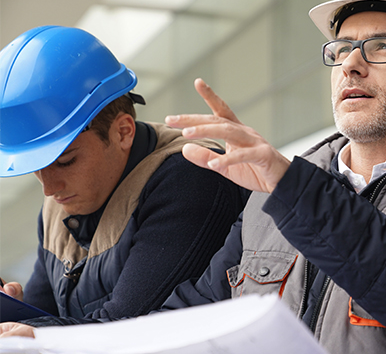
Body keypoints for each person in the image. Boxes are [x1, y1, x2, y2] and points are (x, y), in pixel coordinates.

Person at [155, 0, 386, 353]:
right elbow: (197, 316)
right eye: (342, 49)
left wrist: (292, 188)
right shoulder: (268, 198)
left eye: (381, 47)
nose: (351, 65)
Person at [0, 26, 249, 331]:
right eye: (37, 167)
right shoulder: (58, 205)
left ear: (123, 131)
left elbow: (125, 329)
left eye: (65, 161)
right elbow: (40, 316)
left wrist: (35, 330)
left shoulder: (191, 177)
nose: (49, 188)